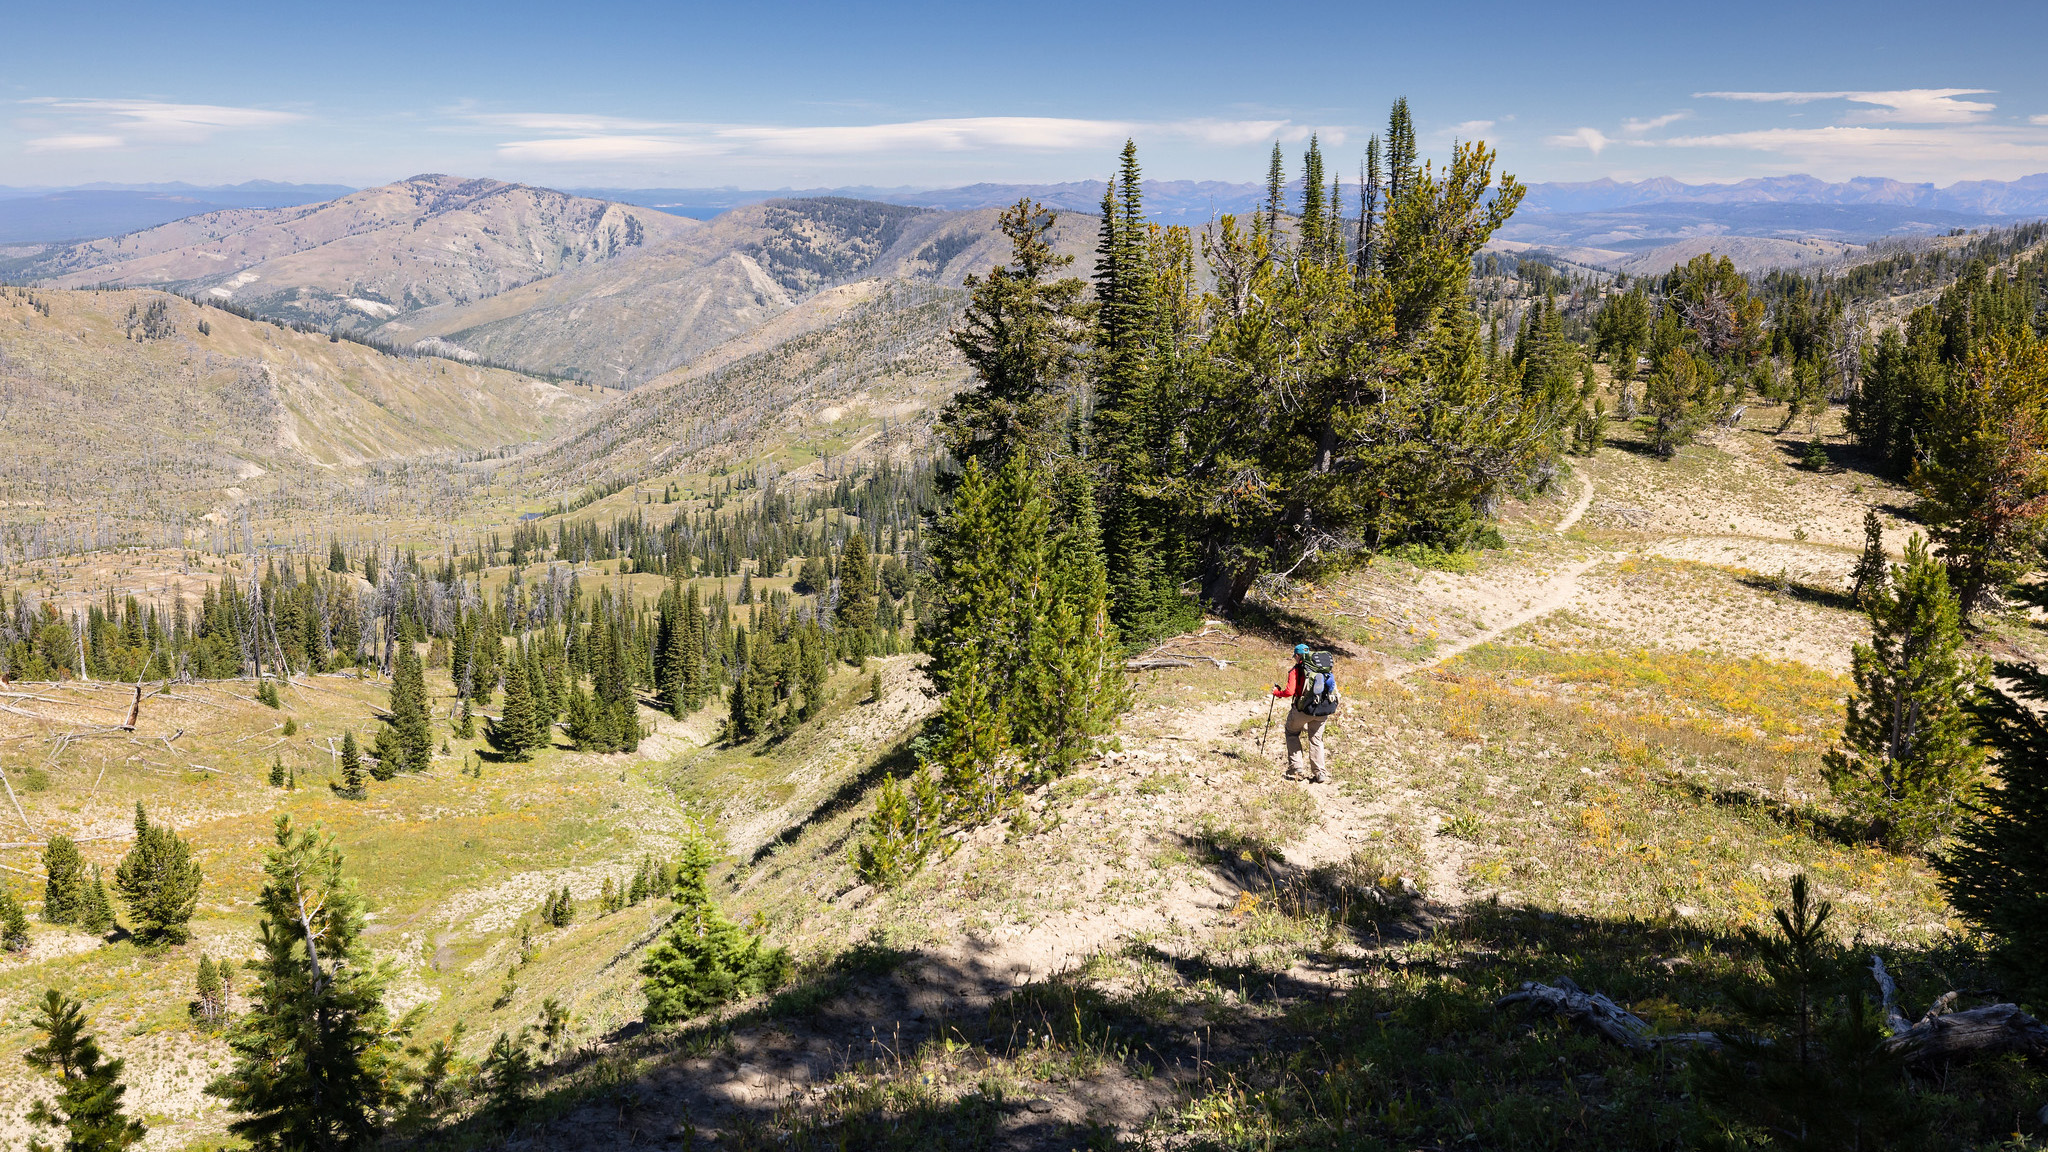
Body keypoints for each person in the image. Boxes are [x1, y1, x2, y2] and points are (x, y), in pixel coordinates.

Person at [1271, 644, 1331, 783]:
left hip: (1303, 709)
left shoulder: (1296, 670)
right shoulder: (1321, 666)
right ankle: (1320, 773)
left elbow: (1289, 692)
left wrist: (1276, 693)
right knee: (1316, 739)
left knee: (1291, 732)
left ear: (1297, 656)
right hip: (1322, 709)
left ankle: (1296, 767)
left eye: (1295, 656)